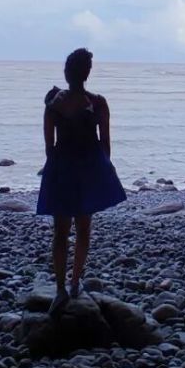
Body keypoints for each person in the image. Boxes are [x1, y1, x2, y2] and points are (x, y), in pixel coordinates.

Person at [36, 48, 125, 309]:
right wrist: (102, 173)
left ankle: (60, 288)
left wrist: (55, 166)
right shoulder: (98, 103)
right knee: (84, 229)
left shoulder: (53, 103)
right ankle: (75, 283)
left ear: (67, 73)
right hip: (87, 167)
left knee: (60, 233)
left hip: (62, 167)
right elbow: (105, 144)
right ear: (87, 73)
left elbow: (49, 145)